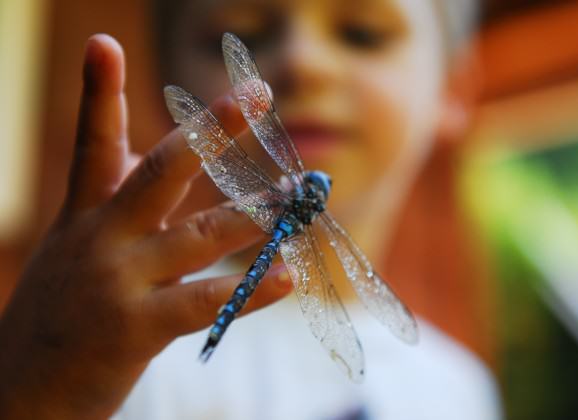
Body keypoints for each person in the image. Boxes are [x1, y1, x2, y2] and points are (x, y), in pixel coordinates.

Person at [0, 0, 502, 418]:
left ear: (453, 87)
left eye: (362, 35)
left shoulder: (460, 392)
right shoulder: (107, 347)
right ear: (164, 74)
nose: (303, 62)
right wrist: (37, 391)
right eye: (240, 33)